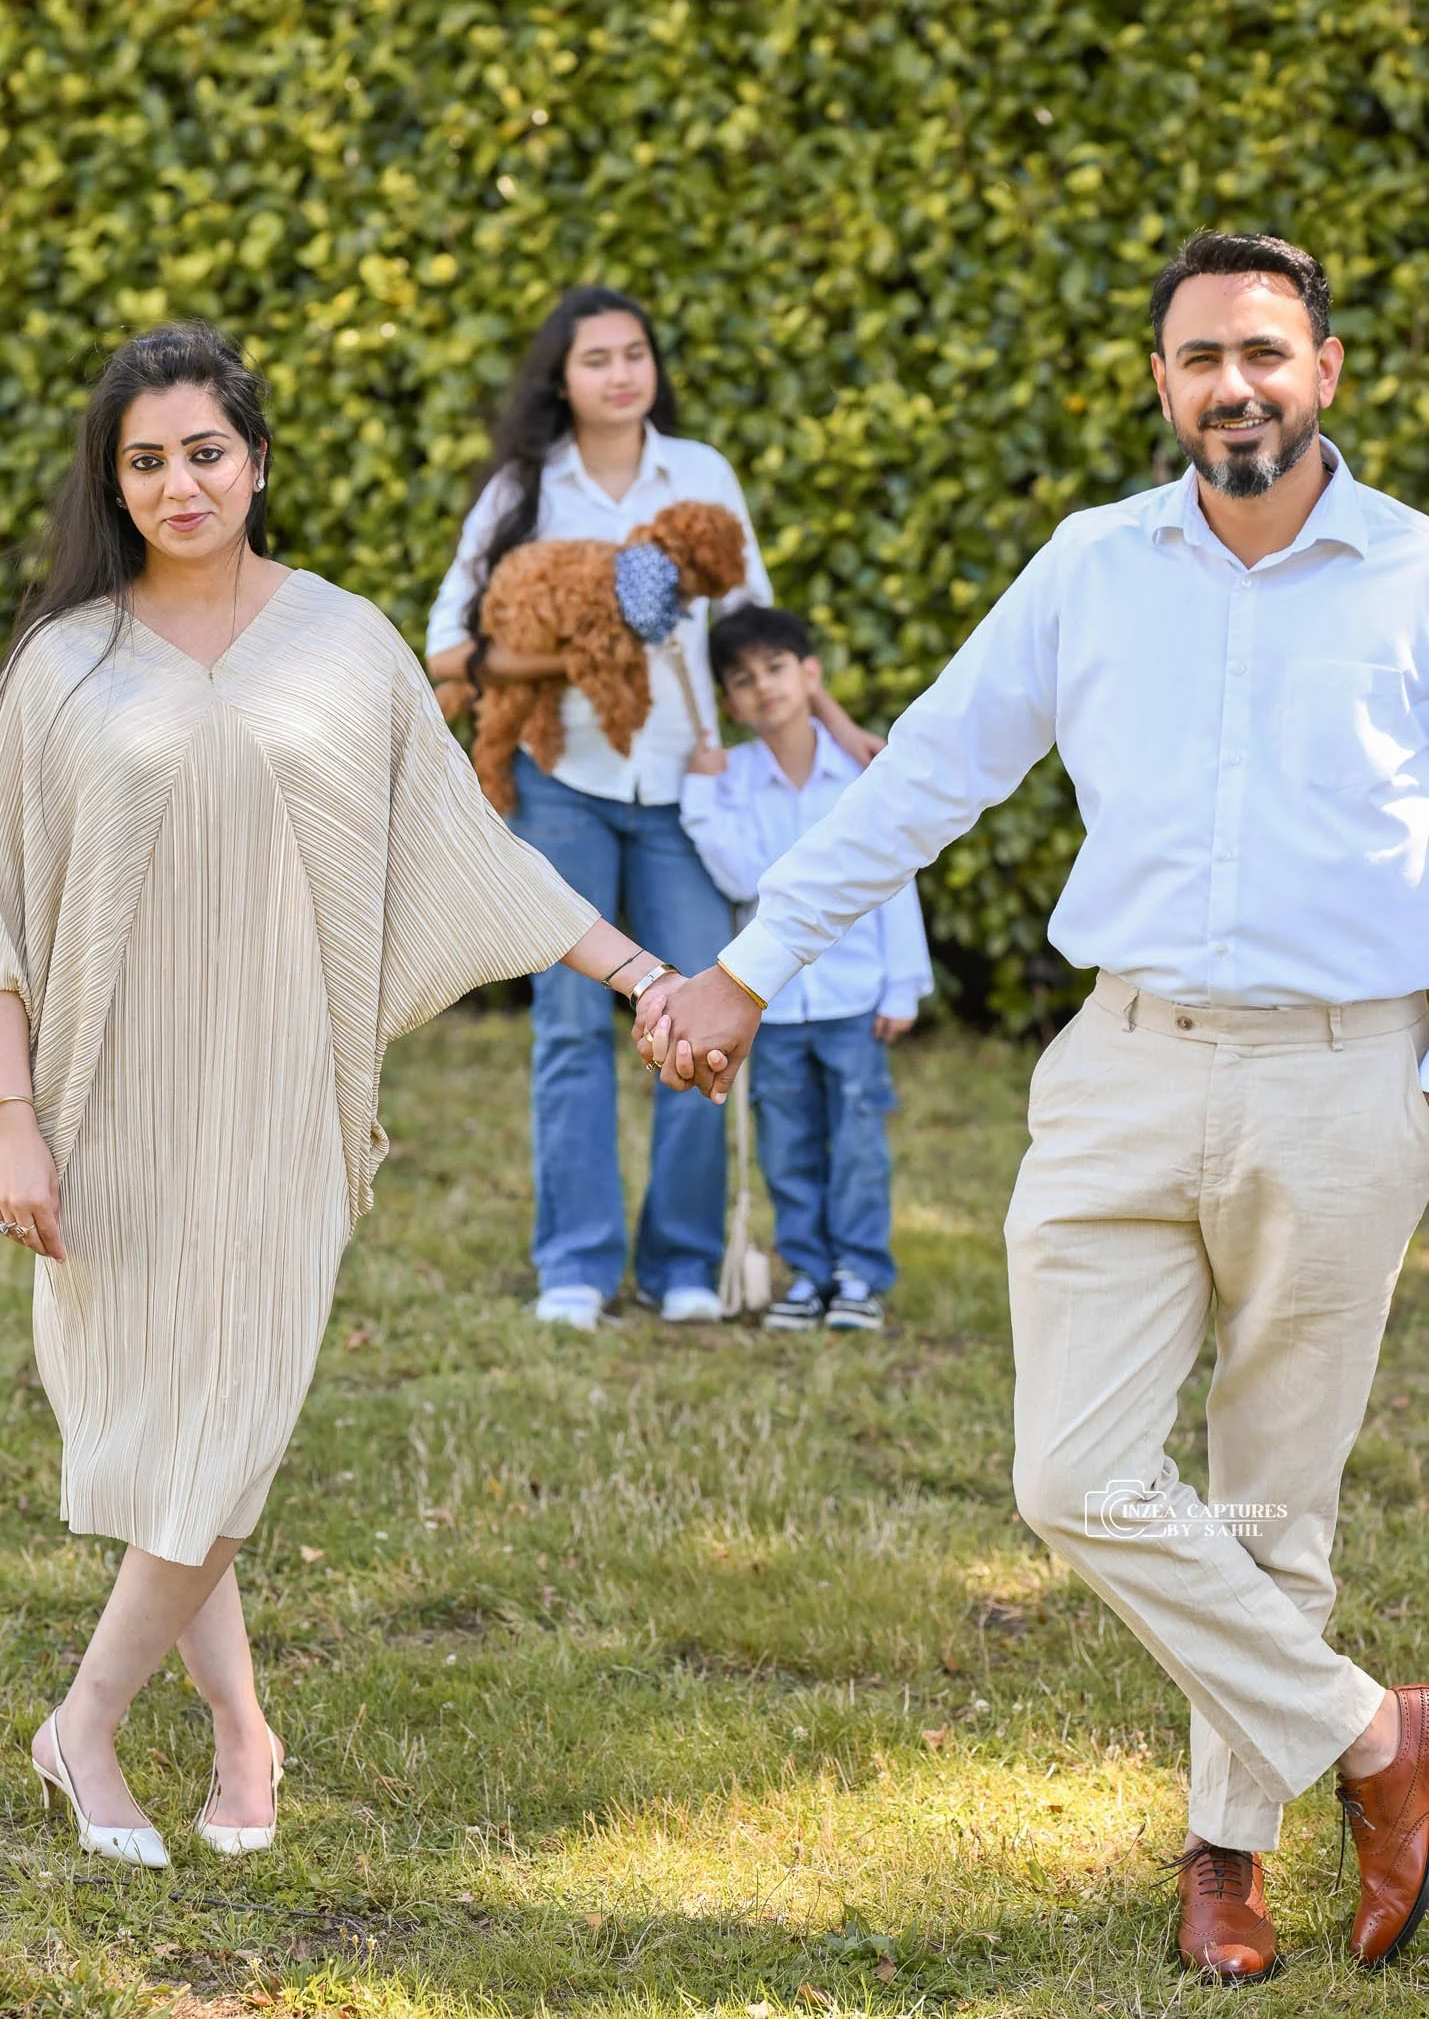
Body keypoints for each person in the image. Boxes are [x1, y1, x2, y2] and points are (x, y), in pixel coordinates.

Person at [635, 232, 1429, 1979]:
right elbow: (919, 771)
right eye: (1196, 356)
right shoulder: (1089, 568)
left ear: (1325, 372)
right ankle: (1380, 1742)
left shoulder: (1410, 577)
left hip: (1341, 1076)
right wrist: (753, 964)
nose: (1232, 384)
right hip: (1122, 1063)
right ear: (1158, 384)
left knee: (1273, 1502)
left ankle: (1224, 1861)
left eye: (1262, 352)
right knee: (1069, 1472)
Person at [0, 321, 677, 1870]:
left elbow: (463, 849)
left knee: (236, 1404)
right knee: (184, 1419)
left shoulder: (348, 641)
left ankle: (83, 1722)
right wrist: (13, 1120)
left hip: (284, 1090)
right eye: (147, 461)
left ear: (257, 457)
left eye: (207, 451)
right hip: (113, 1093)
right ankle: (244, 1734)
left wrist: (635, 971)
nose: (182, 484)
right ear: (116, 484)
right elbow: (5, 912)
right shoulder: (61, 662)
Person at [426, 286, 881, 1331]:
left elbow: (750, 625)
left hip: (684, 795)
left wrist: (839, 722)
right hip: (560, 789)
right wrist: (581, 650)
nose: (621, 374)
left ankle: (683, 1258)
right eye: (597, 359)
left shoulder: (703, 476)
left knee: (698, 1016)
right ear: (562, 377)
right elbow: (445, 645)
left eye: (636, 354)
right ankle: (575, 1266)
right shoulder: (522, 490)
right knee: (573, 1024)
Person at [679, 604, 932, 1332]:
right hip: (774, 1006)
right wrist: (699, 792)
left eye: (776, 668)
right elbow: (737, 879)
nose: (763, 687)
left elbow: (893, 879)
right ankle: (807, 1273)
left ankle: (858, 1273)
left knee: (856, 1140)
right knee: (786, 1143)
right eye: (742, 679)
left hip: (854, 998)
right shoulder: (731, 779)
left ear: (809, 674)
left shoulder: (859, 773)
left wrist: (903, 983)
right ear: (729, 701)